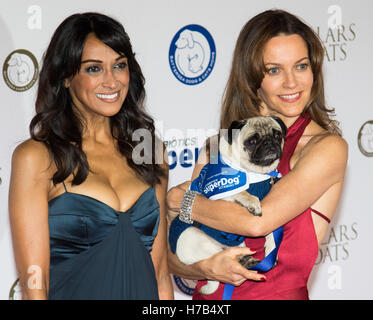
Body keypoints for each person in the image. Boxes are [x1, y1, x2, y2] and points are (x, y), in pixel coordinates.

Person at [167, 9, 348, 300]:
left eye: (301, 66)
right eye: (274, 70)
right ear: (253, 77)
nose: (292, 82)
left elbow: (257, 222)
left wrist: (183, 200)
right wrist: (206, 266)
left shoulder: (326, 148)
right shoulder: (219, 147)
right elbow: (174, 256)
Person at [9, 12, 173, 300]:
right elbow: (35, 283)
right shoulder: (36, 157)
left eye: (119, 66)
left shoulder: (150, 151)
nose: (112, 81)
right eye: (94, 69)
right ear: (66, 78)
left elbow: (159, 273)